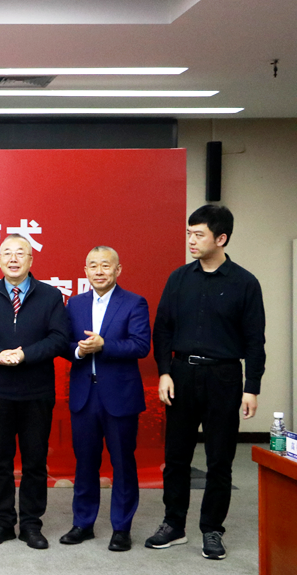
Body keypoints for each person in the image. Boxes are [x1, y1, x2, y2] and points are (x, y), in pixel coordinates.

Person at [145, 205, 265, 560]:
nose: (191, 241)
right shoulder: (179, 278)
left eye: (199, 234)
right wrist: (164, 371)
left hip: (224, 377)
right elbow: (162, 329)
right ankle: (174, 524)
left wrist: (252, 387)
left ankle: (212, 529)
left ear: (221, 238)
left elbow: (254, 340)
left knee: (219, 460)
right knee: (176, 457)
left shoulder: (245, 283)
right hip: (181, 374)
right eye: (189, 233)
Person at [0, 234, 70, 550]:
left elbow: (59, 338)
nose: (13, 259)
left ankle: (32, 525)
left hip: (37, 391)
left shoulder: (50, 295)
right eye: (7, 253)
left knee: (35, 461)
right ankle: (2, 523)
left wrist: (24, 355)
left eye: (20, 253)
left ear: (30, 260)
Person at [59, 246, 151, 552]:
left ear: (118, 270)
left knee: (123, 463)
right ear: (85, 271)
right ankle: (83, 523)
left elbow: (141, 345)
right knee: (85, 462)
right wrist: (78, 350)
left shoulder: (134, 302)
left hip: (120, 396)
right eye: (93, 266)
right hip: (84, 395)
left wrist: (104, 345)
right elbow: (63, 343)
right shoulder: (74, 304)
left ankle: (121, 528)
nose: (99, 271)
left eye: (105, 266)